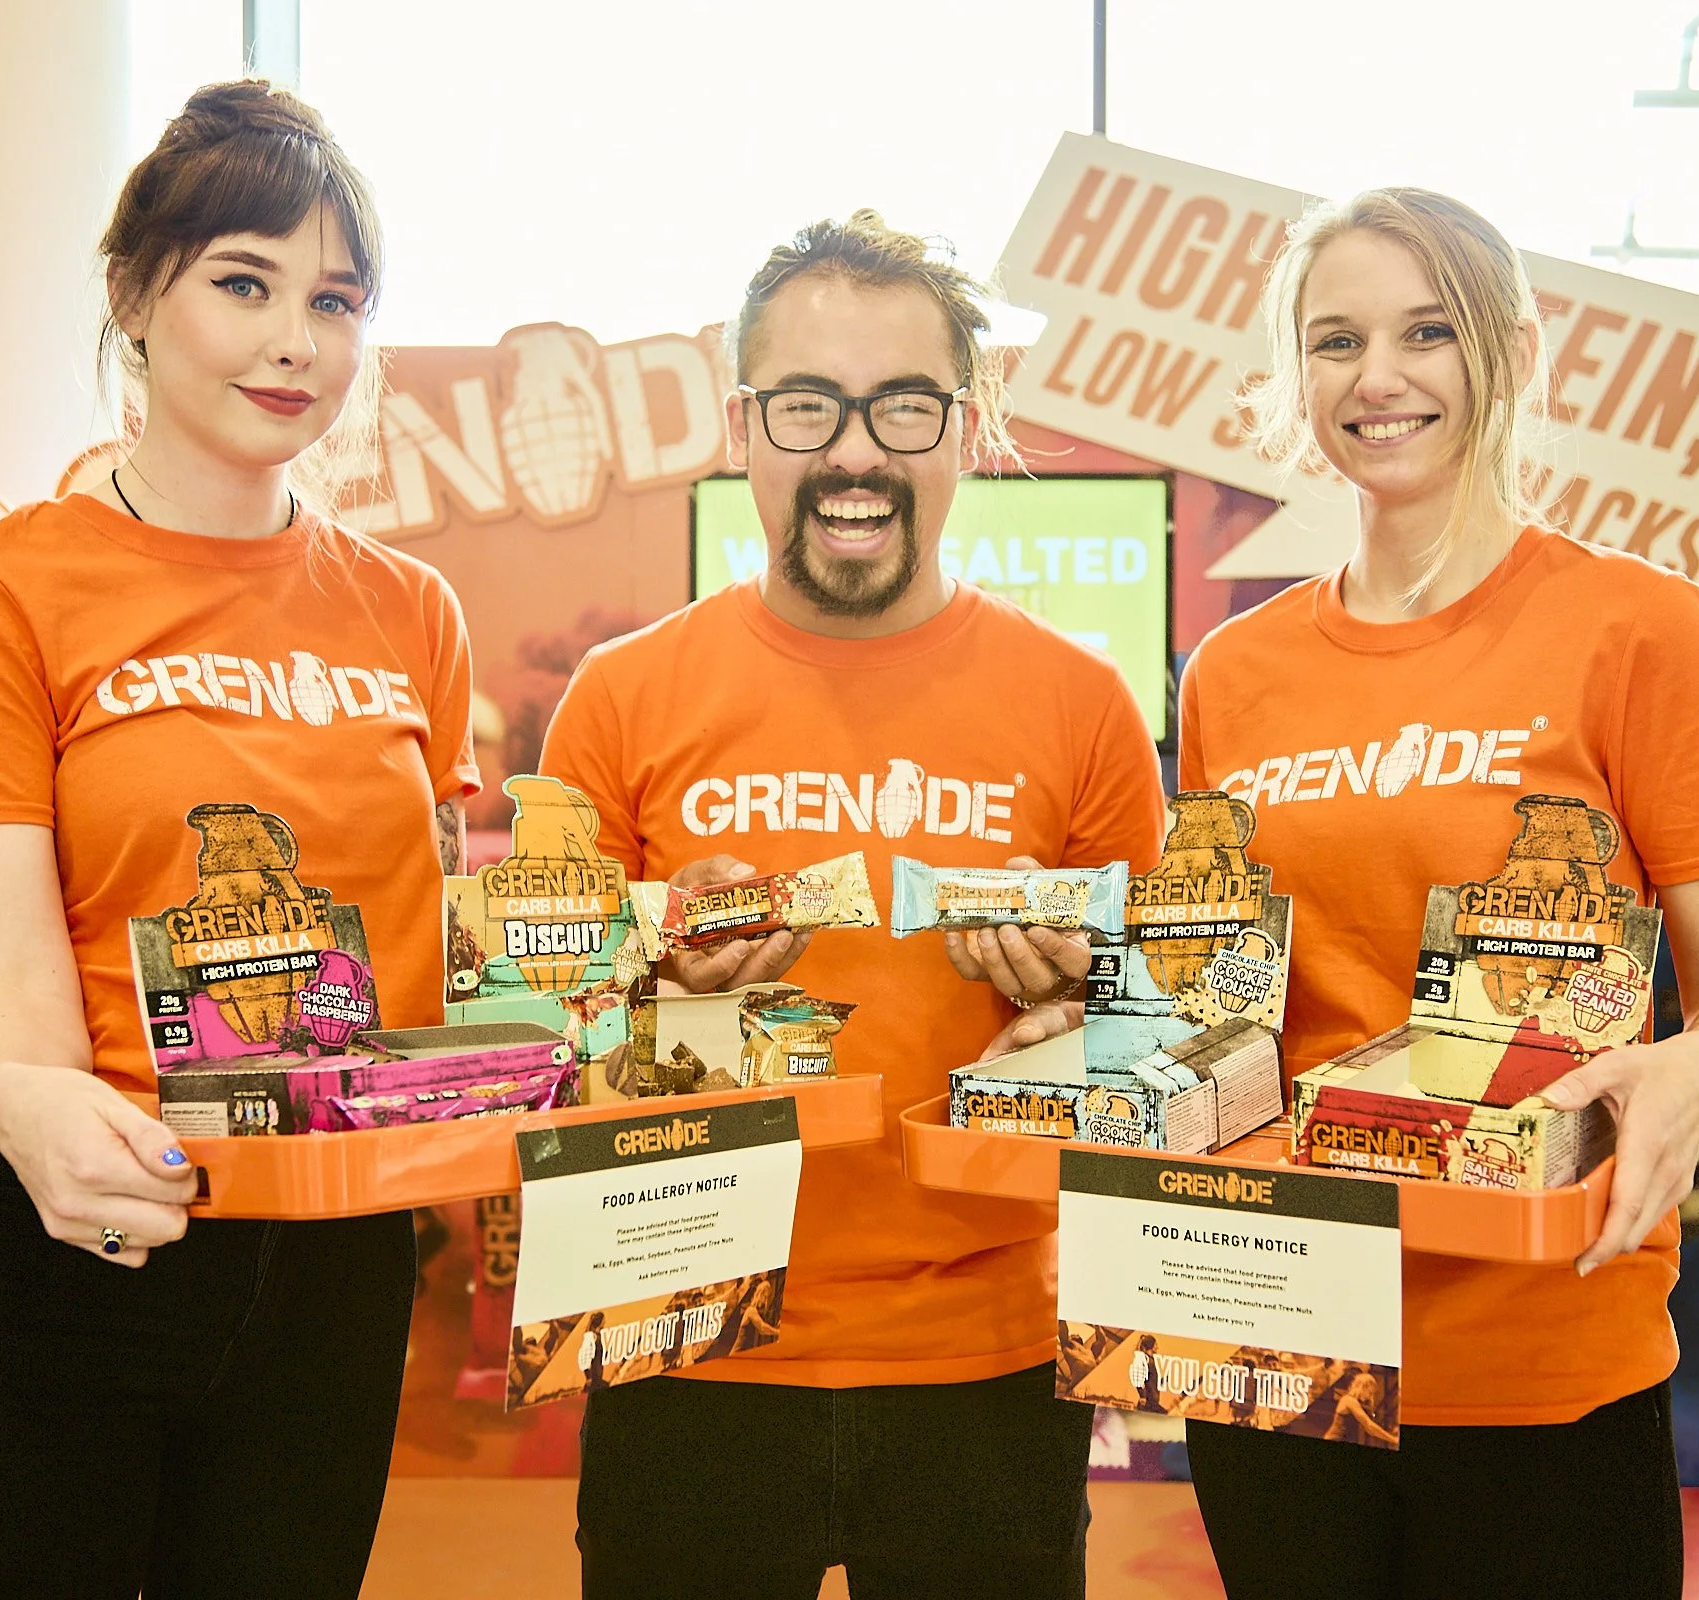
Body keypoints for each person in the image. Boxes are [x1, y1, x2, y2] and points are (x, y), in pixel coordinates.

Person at [0, 82, 477, 1598]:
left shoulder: (412, 613)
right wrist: (31, 1104)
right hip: (70, 1234)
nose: (296, 343)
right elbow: (4, 990)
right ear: (135, 295)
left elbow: (429, 958)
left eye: (336, 301)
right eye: (244, 283)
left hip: (332, 1262)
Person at [1171, 188, 1699, 1598]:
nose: (1378, 378)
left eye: (1426, 333)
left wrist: (1695, 1065)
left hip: (1542, 1353)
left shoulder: (1640, 629)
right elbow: (1222, 997)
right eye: (1336, 341)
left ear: (1510, 352)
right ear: (1298, 375)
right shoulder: (1234, 674)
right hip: (1277, 1332)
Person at [541, 210, 1167, 1600]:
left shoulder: (1082, 704)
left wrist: (1079, 1006)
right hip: (680, 1332)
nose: (857, 454)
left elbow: (1170, 1042)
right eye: (813, 404)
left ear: (965, 423)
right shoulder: (620, 698)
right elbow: (534, 1044)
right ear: (746, 422)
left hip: (989, 1364)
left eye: (903, 405)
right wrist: (655, 974)